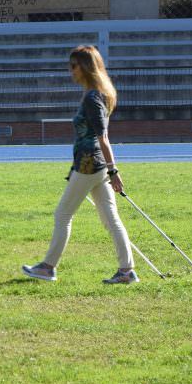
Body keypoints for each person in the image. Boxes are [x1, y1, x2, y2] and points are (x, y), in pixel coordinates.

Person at [23, 46, 137, 284]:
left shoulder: (93, 97)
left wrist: (113, 170)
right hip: (93, 166)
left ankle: (48, 267)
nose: (71, 70)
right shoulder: (98, 94)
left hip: (90, 166)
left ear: (85, 67)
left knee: (62, 214)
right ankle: (126, 271)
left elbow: (102, 137)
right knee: (110, 217)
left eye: (74, 65)